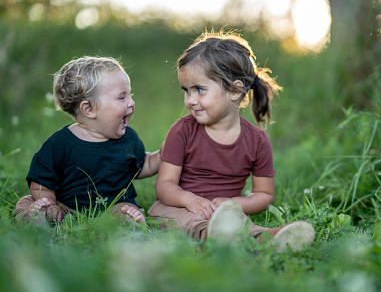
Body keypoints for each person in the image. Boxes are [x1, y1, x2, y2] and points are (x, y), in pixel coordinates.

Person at [148, 31, 315, 252]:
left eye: (199, 89)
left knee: (239, 224)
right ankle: (215, 237)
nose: (190, 100)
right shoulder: (182, 131)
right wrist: (191, 201)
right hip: (176, 208)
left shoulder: (256, 140)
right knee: (188, 222)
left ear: (235, 90)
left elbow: (264, 194)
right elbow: (164, 186)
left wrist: (234, 204)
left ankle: (267, 239)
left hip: (224, 214)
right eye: (186, 91)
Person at [14, 56, 161, 226]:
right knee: (27, 203)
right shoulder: (60, 144)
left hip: (113, 208)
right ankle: (39, 224)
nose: (132, 102)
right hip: (66, 208)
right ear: (89, 109)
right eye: (122, 97)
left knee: (127, 212)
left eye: (130, 95)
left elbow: (142, 165)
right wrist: (49, 202)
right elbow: (41, 182)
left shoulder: (128, 138)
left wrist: (162, 155)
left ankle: (132, 228)